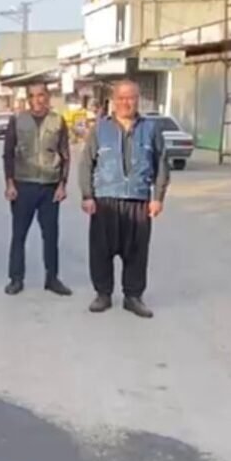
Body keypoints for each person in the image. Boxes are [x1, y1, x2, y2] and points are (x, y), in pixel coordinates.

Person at [78, 79, 170, 319]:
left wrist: (158, 198)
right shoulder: (100, 129)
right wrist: (87, 195)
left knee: (137, 253)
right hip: (105, 200)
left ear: (138, 100)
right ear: (114, 100)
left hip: (138, 200)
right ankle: (103, 294)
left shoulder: (150, 129)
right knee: (101, 251)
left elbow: (161, 164)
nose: (126, 102)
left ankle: (133, 296)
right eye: (121, 98)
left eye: (131, 98)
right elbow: (86, 163)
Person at [3, 82, 73, 297]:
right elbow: (8, 153)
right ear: (28, 99)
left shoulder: (57, 121)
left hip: (49, 186)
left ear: (47, 97)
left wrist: (62, 184)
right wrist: (9, 183)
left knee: (51, 236)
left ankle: (52, 279)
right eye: (33, 96)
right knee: (19, 235)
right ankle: (16, 279)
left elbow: (65, 154)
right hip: (23, 185)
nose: (37, 100)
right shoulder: (17, 120)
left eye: (41, 95)